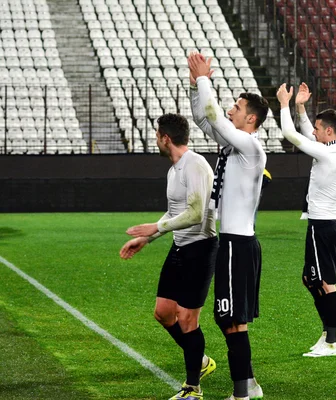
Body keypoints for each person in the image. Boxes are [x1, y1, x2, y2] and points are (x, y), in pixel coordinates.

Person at [119, 113, 218, 400]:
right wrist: (147, 238)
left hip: (200, 249)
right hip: (179, 248)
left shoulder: (195, 164)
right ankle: (199, 361)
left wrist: (156, 227)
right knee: (163, 313)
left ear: (166, 138)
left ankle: (193, 389)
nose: (156, 140)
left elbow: (197, 214)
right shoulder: (173, 170)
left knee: (187, 319)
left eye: (157, 135)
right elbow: (175, 214)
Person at [188, 52, 268, 400]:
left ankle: (242, 393)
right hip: (235, 243)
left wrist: (206, 79)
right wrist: (196, 85)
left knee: (231, 319)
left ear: (250, 119)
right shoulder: (235, 146)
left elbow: (214, 120)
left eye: (236, 107)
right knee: (231, 318)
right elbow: (203, 120)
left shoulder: (250, 146)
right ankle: (248, 385)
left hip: (238, 245)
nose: (230, 110)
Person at [276, 82, 336, 358]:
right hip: (325, 224)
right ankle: (328, 332)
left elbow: (291, 134)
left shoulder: (329, 153)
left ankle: (331, 340)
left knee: (324, 282)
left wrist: (284, 104)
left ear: (328, 131)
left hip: (323, 226)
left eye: (319, 129)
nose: (314, 131)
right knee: (310, 279)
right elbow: (308, 132)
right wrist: (300, 107)